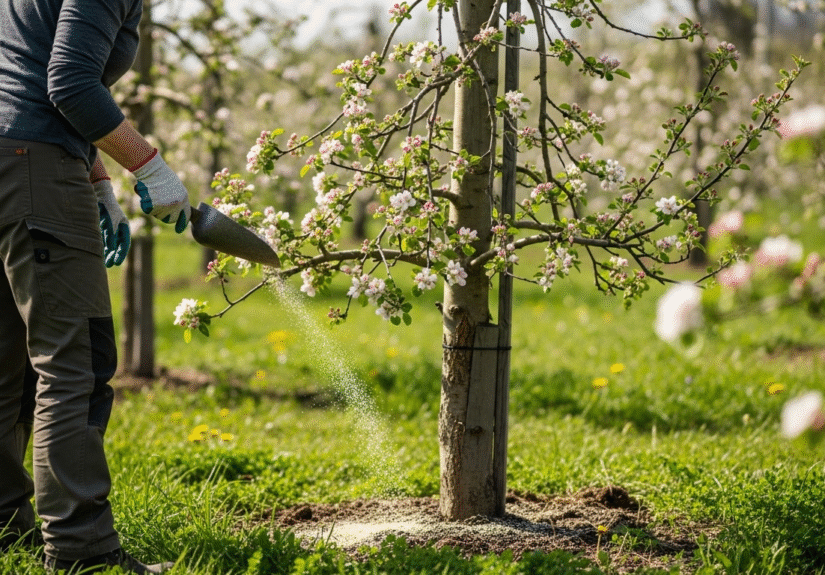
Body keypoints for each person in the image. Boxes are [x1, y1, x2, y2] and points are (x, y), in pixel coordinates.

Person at [0, 0, 189, 572]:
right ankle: (84, 552)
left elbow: (23, 67)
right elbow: (71, 82)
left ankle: (6, 531)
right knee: (74, 360)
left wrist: (95, 175)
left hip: (12, 156)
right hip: (34, 165)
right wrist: (148, 165)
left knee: (7, 364)